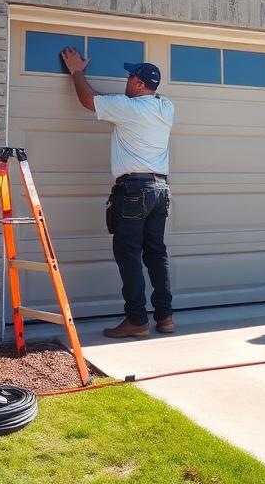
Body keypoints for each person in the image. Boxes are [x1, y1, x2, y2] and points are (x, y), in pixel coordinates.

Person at [61, 47, 175, 338]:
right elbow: (117, 102)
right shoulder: (166, 108)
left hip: (135, 190)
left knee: (128, 253)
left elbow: (89, 100)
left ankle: (137, 320)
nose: (126, 80)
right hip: (160, 190)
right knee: (156, 253)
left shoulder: (129, 109)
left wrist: (77, 72)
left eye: (130, 77)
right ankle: (164, 317)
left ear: (139, 83)